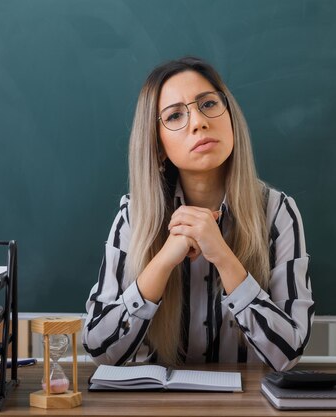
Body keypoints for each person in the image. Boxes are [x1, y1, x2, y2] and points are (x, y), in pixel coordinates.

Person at [83, 57, 314, 371]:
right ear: (159, 146)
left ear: (230, 117)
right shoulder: (134, 216)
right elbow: (99, 349)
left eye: (208, 104)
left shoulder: (277, 212)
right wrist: (163, 261)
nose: (198, 122)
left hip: (249, 405)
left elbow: (288, 354)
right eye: (175, 115)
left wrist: (222, 254)